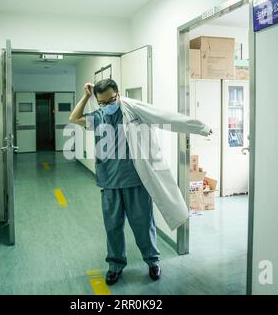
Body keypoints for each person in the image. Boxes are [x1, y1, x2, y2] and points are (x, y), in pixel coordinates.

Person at [70, 79, 212, 285]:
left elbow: (168, 118)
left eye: (111, 100)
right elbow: (74, 118)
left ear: (118, 95)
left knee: (144, 225)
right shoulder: (98, 117)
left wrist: (200, 127)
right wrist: (85, 96)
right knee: (113, 227)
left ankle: (153, 261)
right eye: (102, 102)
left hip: (136, 181)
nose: (107, 105)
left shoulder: (133, 110)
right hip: (109, 183)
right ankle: (115, 265)